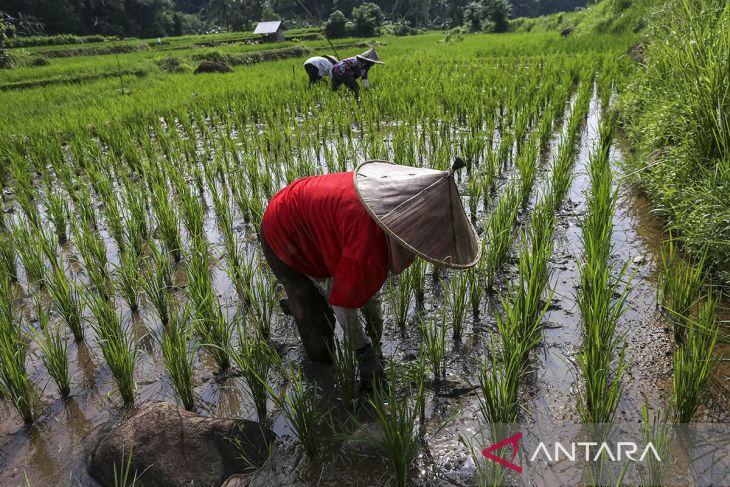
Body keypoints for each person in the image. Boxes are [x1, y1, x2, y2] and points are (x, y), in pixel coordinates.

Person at [260, 159, 480, 389]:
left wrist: (375, 328)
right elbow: (344, 304)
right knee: (319, 323)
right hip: (282, 231)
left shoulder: (389, 202)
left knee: (341, 285)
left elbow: (366, 287)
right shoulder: (368, 248)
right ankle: (322, 386)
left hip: (307, 214)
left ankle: (304, 301)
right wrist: (365, 353)